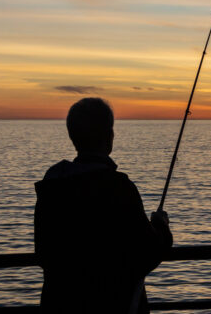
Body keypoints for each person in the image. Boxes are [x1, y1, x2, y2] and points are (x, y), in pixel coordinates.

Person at [35, 97, 172, 313]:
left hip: (60, 304)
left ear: (73, 137)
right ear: (110, 136)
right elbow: (147, 253)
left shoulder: (52, 188)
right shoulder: (119, 188)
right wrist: (161, 226)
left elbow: (43, 253)